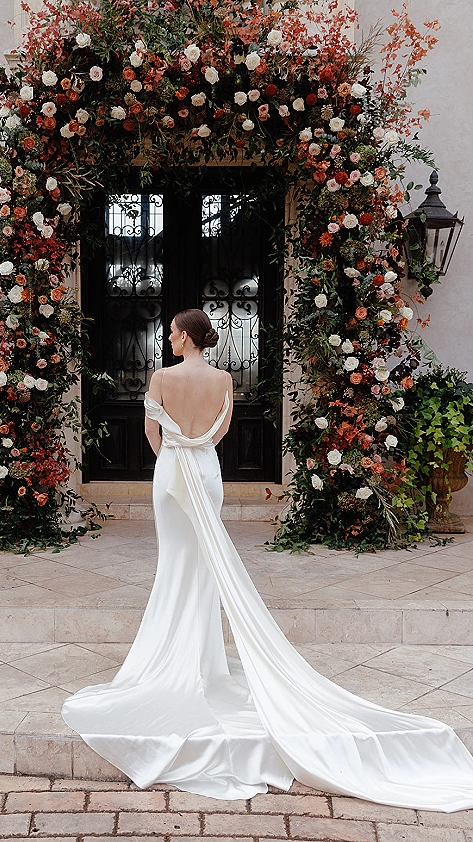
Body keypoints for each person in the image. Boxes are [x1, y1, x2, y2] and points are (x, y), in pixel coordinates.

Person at [63, 308, 473, 810]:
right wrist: (195, 449)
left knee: (175, 563)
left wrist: (175, 452)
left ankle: (174, 660)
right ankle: (203, 661)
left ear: (186, 336)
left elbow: (152, 435)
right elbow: (219, 433)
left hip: (171, 473)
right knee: (204, 567)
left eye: (172, 331)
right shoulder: (222, 380)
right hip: (206, 471)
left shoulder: (162, 377)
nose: (167, 337)